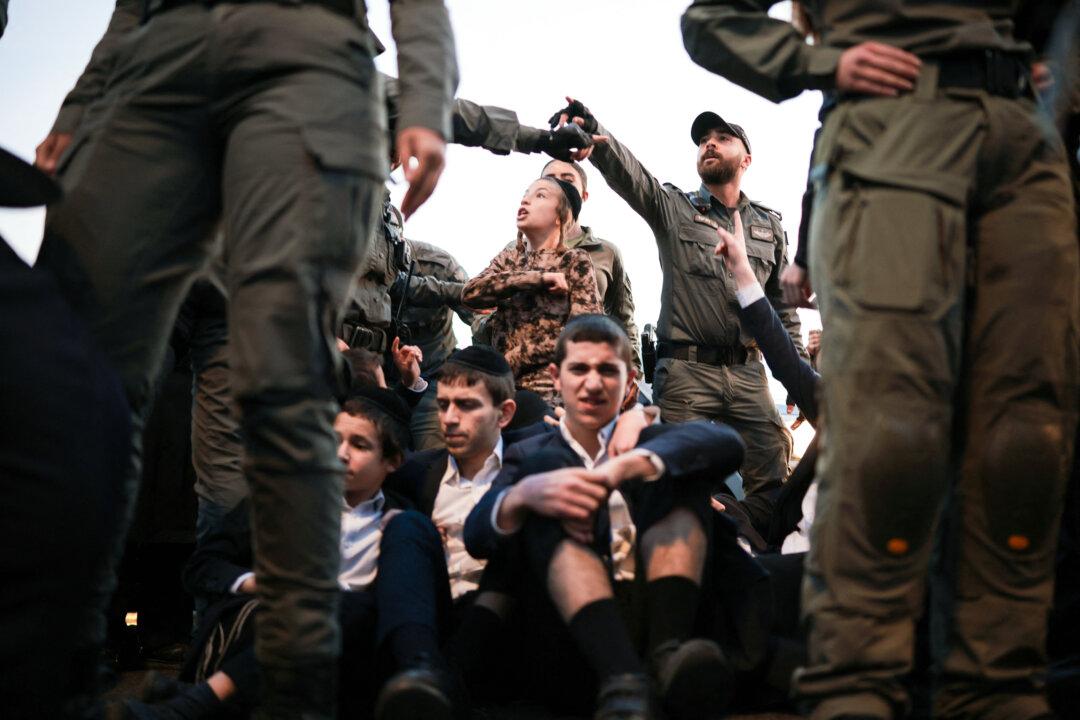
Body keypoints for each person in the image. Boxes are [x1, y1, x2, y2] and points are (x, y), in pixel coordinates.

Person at [36, 2, 458, 716]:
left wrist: (424, 95)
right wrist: (82, 104)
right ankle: (52, 675)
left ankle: (294, 692)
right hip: (159, 58)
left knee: (283, 385)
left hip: (304, 49)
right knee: (78, 378)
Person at [681, 3, 1080, 719]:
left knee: (1027, 445)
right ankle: (853, 689)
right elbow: (711, 18)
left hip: (1025, 141)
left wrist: (1062, 81)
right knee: (891, 445)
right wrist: (818, 63)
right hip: (893, 127)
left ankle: (998, 690)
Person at [463, 315, 747, 720]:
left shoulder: (650, 437)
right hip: (568, 636)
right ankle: (624, 676)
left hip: (661, 614)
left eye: (607, 371)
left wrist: (629, 463)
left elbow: (725, 443)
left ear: (630, 382)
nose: (593, 383)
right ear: (555, 378)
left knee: (677, 477)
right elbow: (477, 533)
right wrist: (523, 496)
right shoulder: (527, 453)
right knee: (546, 483)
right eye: (579, 369)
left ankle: (667, 656)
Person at [551, 99, 804, 496]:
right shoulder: (675, 208)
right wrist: (595, 136)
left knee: (773, 473)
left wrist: (800, 378)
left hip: (748, 372)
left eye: (722, 138)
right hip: (687, 372)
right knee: (677, 479)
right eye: (704, 140)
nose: (710, 144)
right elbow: (632, 176)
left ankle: (750, 547)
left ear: (747, 159)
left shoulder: (769, 227)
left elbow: (783, 310)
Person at [156, 389, 457, 720]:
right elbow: (201, 566)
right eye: (334, 439)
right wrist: (257, 582)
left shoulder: (402, 521)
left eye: (359, 445)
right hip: (275, 634)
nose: (340, 454)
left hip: (354, 661)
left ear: (392, 461)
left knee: (346, 606)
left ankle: (191, 703)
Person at [387, 346, 516, 603]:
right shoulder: (417, 475)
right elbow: (370, 436)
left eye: (466, 405)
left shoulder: (530, 470)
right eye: (443, 405)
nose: (449, 419)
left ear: (504, 413)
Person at [462, 178, 603, 406]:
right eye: (526, 193)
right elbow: (470, 294)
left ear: (561, 216)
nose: (525, 199)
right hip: (503, 392)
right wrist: (533, 279)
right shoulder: (509, 259)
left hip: (550, 391)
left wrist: (516, 357)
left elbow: (584, 334)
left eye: (541, 195)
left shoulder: (574, 261)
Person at [540, 159, 642, 374]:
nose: (559, 185)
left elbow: (624, 321)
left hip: (588, 372)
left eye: (568, 180)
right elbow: (483, 311)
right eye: (550, 180)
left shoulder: (607, 252)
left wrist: (633, 375)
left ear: (584, 195)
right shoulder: (516, 250)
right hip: (530, 373)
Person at [388, 239, 475, 451]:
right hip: (378, 380)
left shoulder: (437, 266)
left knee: (432, 455)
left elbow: (481, 316)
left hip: (434, 376)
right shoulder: (349, 270)